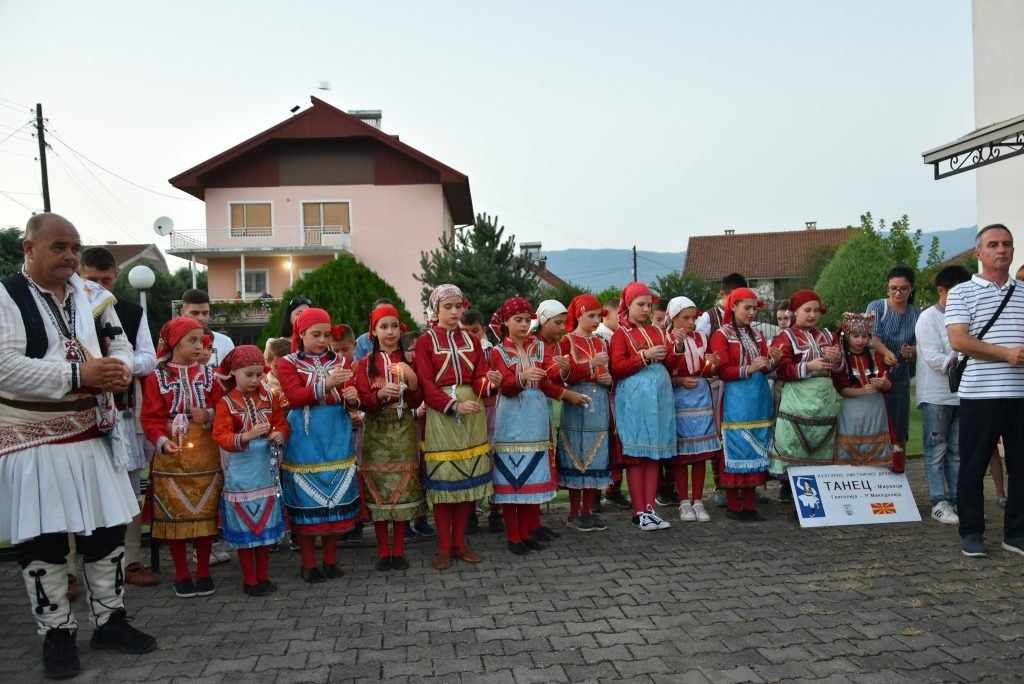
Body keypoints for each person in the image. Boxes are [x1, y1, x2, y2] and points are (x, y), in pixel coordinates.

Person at [0, 213, 156, 678]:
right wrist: (77, 374)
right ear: (29, 248)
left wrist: (118, 369)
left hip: (93, 431)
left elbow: (119, 343)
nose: (70, 255)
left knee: (106, 532)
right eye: (58, 247)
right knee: (44, 540)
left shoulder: (92, 294)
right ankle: (57, 634)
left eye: (74, 247)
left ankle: (110, 621)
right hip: (34, 438)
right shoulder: (6, 296)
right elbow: (4, 365)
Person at [79, 247, 159, 587]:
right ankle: (68, 571)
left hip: (122, 410)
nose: (99, 286)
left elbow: (149, 358)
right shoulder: (63, 311)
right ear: (79, 275)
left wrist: (119, 366)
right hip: (78, 412)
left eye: (106, 280)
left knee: (128, 487)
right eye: (91, 279)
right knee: (76, 489)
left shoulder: (130, 311)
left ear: (116, 277)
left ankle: (132, 560)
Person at [946, 224, 1024, 559]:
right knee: (973, 466)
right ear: (979, 253)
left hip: (1020, 394)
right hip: (980, 393)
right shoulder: (962, 293)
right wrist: (1006, 354)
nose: (1001, 249)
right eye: (993, 244)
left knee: (1021, 468)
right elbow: (959, 340)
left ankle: (1016, 533)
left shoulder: (1023, 292)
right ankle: (972, 531)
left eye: (1007, 244)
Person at [489, 297, 583, 554]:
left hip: (535, 416)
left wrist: (562, 369)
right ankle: (513, 536)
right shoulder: (498, 352)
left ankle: (527, 532)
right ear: (506, 322)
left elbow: (549, 374)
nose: (523, 325)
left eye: (526, 320)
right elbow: (505, 387)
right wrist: (522, 377)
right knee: (511, 478)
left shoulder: (539, 347)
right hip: (511, 418)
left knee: (530, 476)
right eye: (517, 320)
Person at [141, 317, 224, 598]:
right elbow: (150, 417)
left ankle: (203, 571)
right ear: (175, 343)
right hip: (171, 453)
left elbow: (222, 408)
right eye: (192, 340)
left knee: (204, 512)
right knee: (174, 514)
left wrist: (208, 414)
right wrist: (162, 442)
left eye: (202, 340)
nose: (200, 346)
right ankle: (181, 573)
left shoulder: (210, 376)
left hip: (205, 452)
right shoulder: (156, 378)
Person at [277, 308, 362, 581]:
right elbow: (294, 397)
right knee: (307, 502)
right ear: (300, 333)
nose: (323, 340)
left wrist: (352, 398)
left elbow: (349, 396)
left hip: (336, 434)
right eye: (316, 334)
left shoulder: (340, 360)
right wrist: (327, 384)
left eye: (326, 335)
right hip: (305, 437)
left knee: (334, 501)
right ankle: (308, 564)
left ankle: (330, 560)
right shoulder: (288, 363)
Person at [414, 284, 493, 570]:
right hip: (442, 413)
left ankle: (460, 543)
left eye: (458, 306)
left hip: (472, 412)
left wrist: (488, 383)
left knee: (466, 483)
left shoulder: (472, 339)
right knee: (445, 483)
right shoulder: (425, 341)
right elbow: (426, 384)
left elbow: (480, 376)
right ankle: (444, 547)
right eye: (448, 307)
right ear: (435, 309)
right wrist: (454, 405)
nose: (455, 312)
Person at [211, 346, 289, 595]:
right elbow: (221, 435)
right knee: (246, 527)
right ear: (234, 373)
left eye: (258, 374)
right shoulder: (226, 403)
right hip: (240, 471)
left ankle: (263, 575)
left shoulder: (269, 398)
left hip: (265, 469)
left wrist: (280, 434)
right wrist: (246, 436)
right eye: (249, 374)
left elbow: (281, 422)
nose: (255, 380)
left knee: (265, 525)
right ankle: (250, 578)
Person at [354, 305, 426, 571]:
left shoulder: (409, 360)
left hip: (403, 428)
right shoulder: (365, 364)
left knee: (403, 489)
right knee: (379, 491)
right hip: (376, 431)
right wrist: (380, 395)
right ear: (373, 331)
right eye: (383, 326)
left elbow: (418, 399)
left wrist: (412, 379)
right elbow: (362, 400)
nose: (390, 331)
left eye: (394, 326)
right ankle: (384, 551)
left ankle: (399, 550)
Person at [610, 282, 678, 530]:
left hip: (659, 399)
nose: (646, 309)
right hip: (635, 400)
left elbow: (671, 362)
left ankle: (650, 509)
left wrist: (676, 347)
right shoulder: (620, 335)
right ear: (628, 305)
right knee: (637, 456)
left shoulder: (657, 331)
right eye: (641, 304)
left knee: (653, 455)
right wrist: (645, 356)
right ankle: (638, 511)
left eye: (649, 305)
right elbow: (617, 367)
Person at [709, 287, 778, 521]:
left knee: (757, 449)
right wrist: (750, 368)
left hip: (758, 399)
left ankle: (749, 504)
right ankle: (734, 506)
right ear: (733, 307)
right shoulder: (721, 335)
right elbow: (722, 371)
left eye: (754, 308)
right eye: (747, 308)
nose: (751, 313)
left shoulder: (757, 335)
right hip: (736, 400)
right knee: (736, 449)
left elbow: (766, 366)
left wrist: (773, 361)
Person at [769, 290, 843, 499]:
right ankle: (795, 494)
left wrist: (837, 359)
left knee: (821, 446)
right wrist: (808, 366)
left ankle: (819, 497)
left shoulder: (829, 335)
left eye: (816, 310)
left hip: (824, 401)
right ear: (795, 311)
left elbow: (841, 371)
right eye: (807, 310)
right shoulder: (786, 337)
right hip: (797, 401)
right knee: (795, 447)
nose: (812, 315)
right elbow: (780, 369)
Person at [916, 265, 972, 525]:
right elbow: (932, 356)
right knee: (936, 449)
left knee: (957, 450)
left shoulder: (968, 317)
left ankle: (960, 499)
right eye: (957, 292)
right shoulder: (928, 318)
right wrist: (963, 358)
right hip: (936, 395)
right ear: (941, 291)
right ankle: (939, 501)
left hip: (963, 393)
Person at [557, 294, 613, 532]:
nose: (596, 320)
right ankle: (573, 513)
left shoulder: (601, 342)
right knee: (576, 454)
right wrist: (591, 365)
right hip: (576, 401)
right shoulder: (566, 341)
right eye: (591, 315)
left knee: (595, 455)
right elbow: (565, 375)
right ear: (579, 315)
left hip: (598, 404)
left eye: (599, 315)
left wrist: (609, 380)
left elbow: (609, 372)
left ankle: (588, 511)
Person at [665, 296, 721, 523]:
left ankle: (698, 500)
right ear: (674, 318)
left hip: (701, 397)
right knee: (682, 455)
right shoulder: (666, 338)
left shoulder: (702, 337)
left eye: (693, 318)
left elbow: (708, 370)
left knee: (700, 455)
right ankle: (683, 501)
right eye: (685, 318)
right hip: (679, 399)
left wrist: (713, 364)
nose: (691, 322)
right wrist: (677, 380)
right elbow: (665, 368)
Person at [866, 266, 921, 469]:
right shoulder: (877, 307)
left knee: (899, 428)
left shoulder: (917, 314)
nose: (898, 293)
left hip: (900, 376)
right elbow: (872, 338)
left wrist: (911, 351)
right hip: (876, 373)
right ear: (887, 288)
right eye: (893, 288)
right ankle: (874, 471)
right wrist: (886, 352)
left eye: (903, 289)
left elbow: (922, 345)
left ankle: (899, 470)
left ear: (911, 289)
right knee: (874, 425)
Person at [461, 309, 504, 534]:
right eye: (466, 331)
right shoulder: (458, 353)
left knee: (495, 459)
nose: (471, 336)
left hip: (492, 412)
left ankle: (496, 510)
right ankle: (470, 512)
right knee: (471, 460)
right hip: (469, 412)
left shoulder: (492, 352)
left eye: (475, 331)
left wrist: (495, 382)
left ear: (484, 330)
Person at [833, 313, 894, 468]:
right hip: (852, 410)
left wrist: (884, 384)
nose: (860, 340)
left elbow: (888, 385)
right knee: (850, 451)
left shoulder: (875, 355)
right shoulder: (841, 358)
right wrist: (863, 391)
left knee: (876, 451)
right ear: (847, 335)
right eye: (855, 336)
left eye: (864, 336)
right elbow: (841, 389)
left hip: (875, 409)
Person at [594, 296, 631, 511]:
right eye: (620, 315)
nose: (623, 319)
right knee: (601, 444)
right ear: (606, 314)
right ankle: (595, 493)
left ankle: (614, 490)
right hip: (603, 397)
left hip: (619, 397)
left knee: (618, 443)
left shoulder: (620, 335)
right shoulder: (599, 337)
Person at [180, 289, 235, 367]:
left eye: (205, 313)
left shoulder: (225, 342)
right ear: (183, 313)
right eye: (195, 313)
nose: (200, 318)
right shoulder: (172, 342)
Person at [353, 298, 394, 362]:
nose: (385, 317)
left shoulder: (402, 340)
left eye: (390, 313)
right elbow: (355, 366)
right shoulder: (361, 343)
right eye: (381, 313)